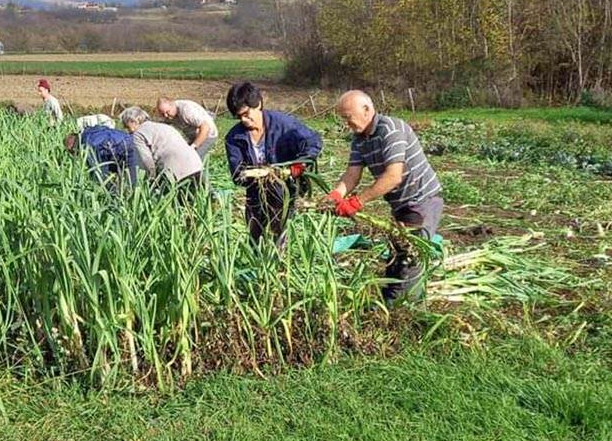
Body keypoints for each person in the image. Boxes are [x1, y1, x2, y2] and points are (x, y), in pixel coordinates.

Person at [325, 90, 444, 304]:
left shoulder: (391, 129)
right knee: (397, 257)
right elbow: (352, 173)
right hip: (401, 205)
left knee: (410, 258)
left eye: (348, 117)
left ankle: (405, 313)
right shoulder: (359, 139)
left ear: (367, 110)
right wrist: (337, 194)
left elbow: (393, 177)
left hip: (421, 200)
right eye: (343, 119)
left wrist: (357, 201)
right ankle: (395, 305)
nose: (346, 124)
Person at [223, 81, 322, 246]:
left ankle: (278, 265)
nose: (245, 120)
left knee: (280, 234)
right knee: (256, 238)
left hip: (284, 191)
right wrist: (256, 175)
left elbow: (313, 141)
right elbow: (237, 174)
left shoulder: (284, 125)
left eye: (247, 114)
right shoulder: (234, 138)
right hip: (255, 194)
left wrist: (300, 164)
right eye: (239, 117)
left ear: (258, 104)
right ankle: (259, 264)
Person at [118, 106, 203, 199]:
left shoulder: (138, 134)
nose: (127, 130)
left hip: (176, 171)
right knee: (203, 198)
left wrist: (152, 181)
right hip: (196, 164)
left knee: (173, 204)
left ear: (133, 121)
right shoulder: (164, 126)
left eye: (127, 126)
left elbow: (146, 161)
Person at [65, 125, 137, 191]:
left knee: (133, 187)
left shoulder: (88, 145)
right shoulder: (92, 132)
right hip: (133, 142)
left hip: (129, 152)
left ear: (74, 148)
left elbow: (99, 174)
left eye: (72, 152)